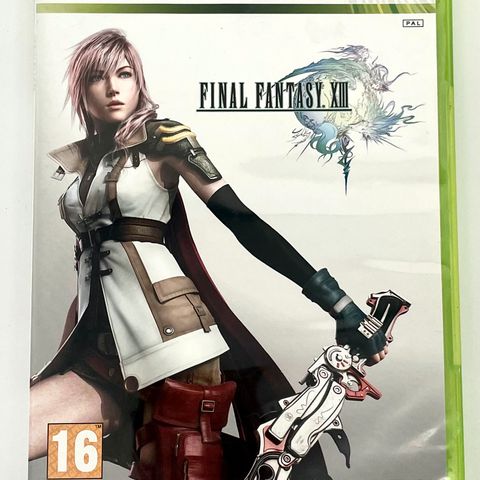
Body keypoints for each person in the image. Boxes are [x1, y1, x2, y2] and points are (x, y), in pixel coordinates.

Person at [29, 29, 388, 480]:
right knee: (53, 448)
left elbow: (242, 221)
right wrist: (67, 349)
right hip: (99, 349)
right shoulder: (82, 166)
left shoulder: (164, 141)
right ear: (81, 89)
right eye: (98, 78)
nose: (114, 88)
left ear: (139, 82)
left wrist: (337, 302)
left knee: (169, 466)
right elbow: (94, 271)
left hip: (175, 343)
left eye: (124, 74)